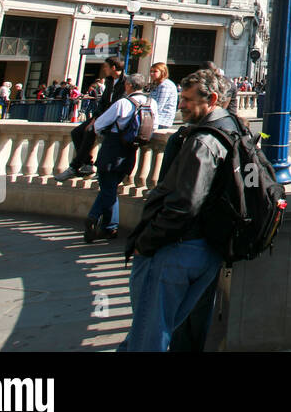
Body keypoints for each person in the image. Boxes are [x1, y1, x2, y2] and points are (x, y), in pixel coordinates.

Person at [121, 70, 239, 352]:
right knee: (159, 330)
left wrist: (145, 243)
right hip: (209, 249)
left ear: (211, 99)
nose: (181, 104)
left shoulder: (203, 142)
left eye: (187, 99)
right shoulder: (232, 128)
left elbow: (185, 204)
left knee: (148, 338)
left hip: (179, 250)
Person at [84, 73, 151, 243]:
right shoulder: (151, 103)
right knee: (110, 187)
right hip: (130, 151)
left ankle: (98, 220)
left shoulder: (123, 103)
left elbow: (99, 125)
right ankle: (106, 225)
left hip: (112, 148)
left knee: (108, 188)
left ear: (128, 85)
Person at [55, 56, 124, 181]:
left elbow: (119, 104)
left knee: (89, 132)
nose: (104, 69)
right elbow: (103, 101)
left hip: (115, 117)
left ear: (113, 67)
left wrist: (97, 121)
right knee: (76, 132)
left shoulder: (125, 81)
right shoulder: (109, 81)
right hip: (102, 115)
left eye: (106, 67)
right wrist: (94, 118)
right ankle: (87, 163)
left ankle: (74, 167)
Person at [148, 62, 179, 129]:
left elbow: (158, 106)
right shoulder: (157, 84)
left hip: (161, 121)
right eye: (151, 71)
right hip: (156, 120)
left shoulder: (165, 85)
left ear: (162, 72)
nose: (151, 74)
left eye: (155, 71)